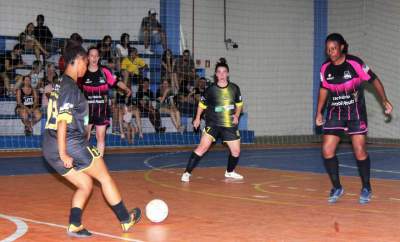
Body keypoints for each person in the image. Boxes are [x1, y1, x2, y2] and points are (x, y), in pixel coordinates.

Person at [42, 41, 141, 238]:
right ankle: (125, 219)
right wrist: (64, 153)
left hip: (48, 145)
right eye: (85, 63)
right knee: (104, 178)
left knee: (85, 185)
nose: (86, 68)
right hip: (69, 143)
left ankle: (74, 225)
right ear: (78, 61)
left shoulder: (60, 83)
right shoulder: (70, 87)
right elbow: (63, 121)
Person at [315, 33, 393, 204]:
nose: (331, 52)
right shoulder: (324, 68)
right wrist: (319, 111)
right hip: (335, 112)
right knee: (327, 150)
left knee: (359, 151)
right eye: (328, 49)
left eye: (334, 48)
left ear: (342, 47)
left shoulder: (355, 63)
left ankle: (366, 187)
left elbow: (374, 80)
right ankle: (337, 187)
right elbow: (323, 90)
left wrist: (384, 100)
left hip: (355, 113)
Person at [181, 58, 244, 182]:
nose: (221, 74)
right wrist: (197, 118)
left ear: (228, 73)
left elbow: (240, 104)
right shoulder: (210, 89)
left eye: (224, 72)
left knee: (236, 151)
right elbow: (201, 105)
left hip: (229, 124)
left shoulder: (234, 88)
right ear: (216, 74)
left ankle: (230, 172)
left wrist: (236, 115)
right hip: (213, 124)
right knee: (202, 148)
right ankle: (187, 173)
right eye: (219, 72)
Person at [81, 46, 131, 156]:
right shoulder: (82, 72)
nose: (94, 58)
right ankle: (83, 161)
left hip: (102, 111)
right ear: (88, 57)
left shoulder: (104, 71)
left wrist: (126, 88)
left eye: (96, 56)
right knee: (85, 136)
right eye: (91, 56)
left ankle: (99, 162)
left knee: (100, 137)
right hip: (86, 111)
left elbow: (117, 82)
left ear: (98, 58)